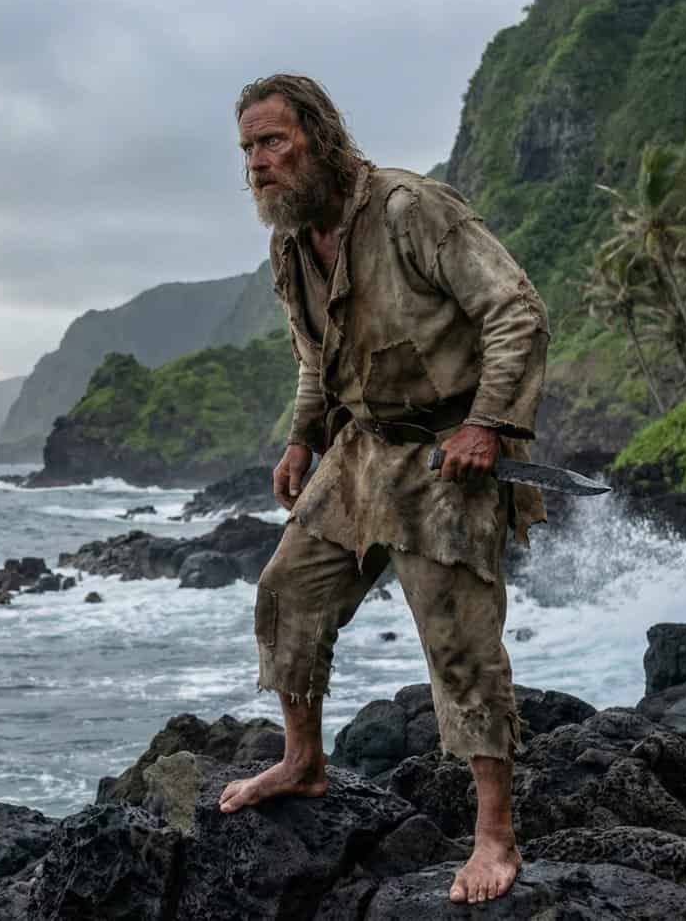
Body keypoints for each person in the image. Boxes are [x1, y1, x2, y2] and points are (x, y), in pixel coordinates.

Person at [219, 73, 550, 905]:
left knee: (458, 642)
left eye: (272, 143)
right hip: (361, 450)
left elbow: (515, 310)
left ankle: (495, 834)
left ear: (319, 137)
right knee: (287, 591)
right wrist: (302, 438)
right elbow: (314, 357)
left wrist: (489, 425)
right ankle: (302, 762)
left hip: (449, 455)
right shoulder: (291, 242)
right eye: (247, 150)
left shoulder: (410, 210)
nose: (257, 164)